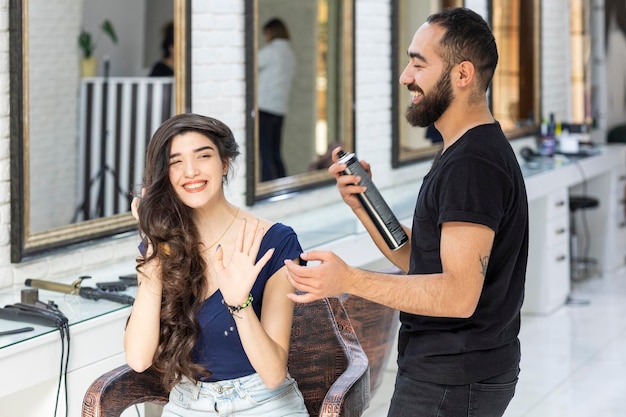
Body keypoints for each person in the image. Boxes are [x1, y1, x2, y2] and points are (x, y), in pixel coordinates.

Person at [284, 7, 528, 417]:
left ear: (462, 74)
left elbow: (456, 295)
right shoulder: (462, 151)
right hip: (456, 370)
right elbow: (420, 260)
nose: (405, 77)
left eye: (418, 63)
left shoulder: (473, 164)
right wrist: (365, 204)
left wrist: (348, 279)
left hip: (453, 378)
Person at [124, 113, 309, 416]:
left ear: (224, 163)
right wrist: (154, 259)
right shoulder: (161, 246)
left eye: (203, 156)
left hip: (262, 403)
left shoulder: (275, 241)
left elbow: (274, 373)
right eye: (176, 162)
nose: (191, 171)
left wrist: (239, 305)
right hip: (188, 404)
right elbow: (139, 358)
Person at [258, 18, 296, 181]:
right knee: (275, 151)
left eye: (266, 33)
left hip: (265, 106)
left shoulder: (271, 52)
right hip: (280, 109)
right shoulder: (290, 54)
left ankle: (268, 184)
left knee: (265, 151)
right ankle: (282, 182)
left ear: (271, 32)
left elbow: (250, 63)